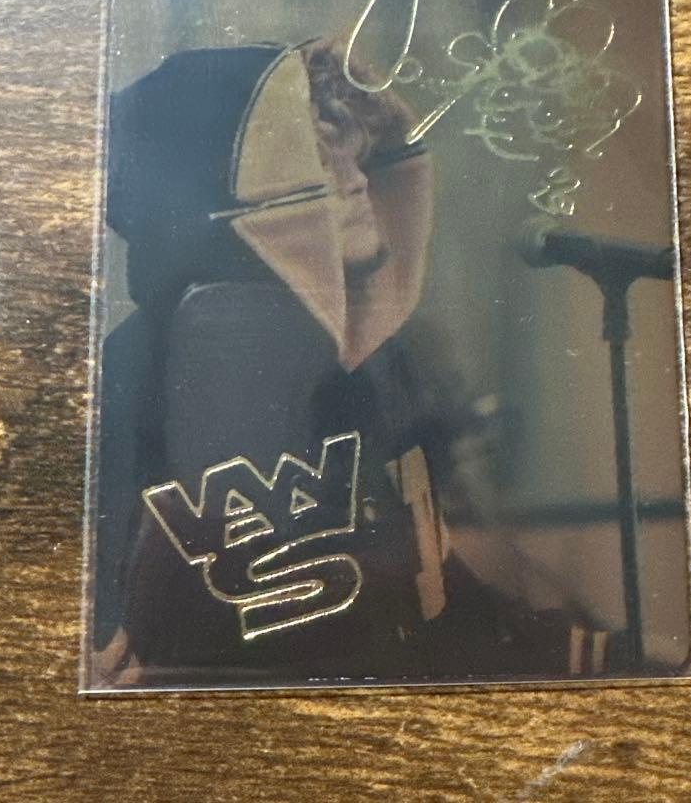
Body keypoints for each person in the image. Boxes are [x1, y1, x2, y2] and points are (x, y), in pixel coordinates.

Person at [88, 38, 586, 689]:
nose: (354, 176)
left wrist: (583, 653)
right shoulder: (130, 373)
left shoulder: (391, 363)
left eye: (351, 147)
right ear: (237, 198)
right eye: (315, 157)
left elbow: (436, 591)